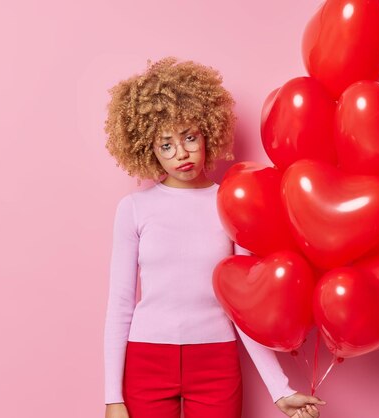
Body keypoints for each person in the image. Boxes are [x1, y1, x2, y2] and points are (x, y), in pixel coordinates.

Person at [103, 57, 326, 418]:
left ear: (207, 130)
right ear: (149, 149)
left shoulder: (230, 202)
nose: (181, 153)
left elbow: (243, 305)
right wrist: (113, 396)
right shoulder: (133, 208)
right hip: (146, 360)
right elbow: (120, 306)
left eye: (189, 137)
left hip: (215, 363)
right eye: (166, 145)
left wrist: (280, 390)